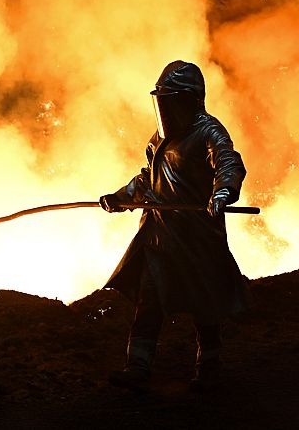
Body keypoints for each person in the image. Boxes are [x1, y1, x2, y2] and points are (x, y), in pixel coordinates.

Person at [99, 60, 251, 393]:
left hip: (197, 237)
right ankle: (137, 367)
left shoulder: (209, 131)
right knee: (149, 300)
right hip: (160, 236)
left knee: (204, 303)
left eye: (171, 99)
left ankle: (209, 368)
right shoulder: (160, 137)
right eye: (161, 100)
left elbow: (228, 162)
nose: (165, 107)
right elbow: (147, 180)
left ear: (190, 99)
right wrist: (120, 198)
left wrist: (222, 192)